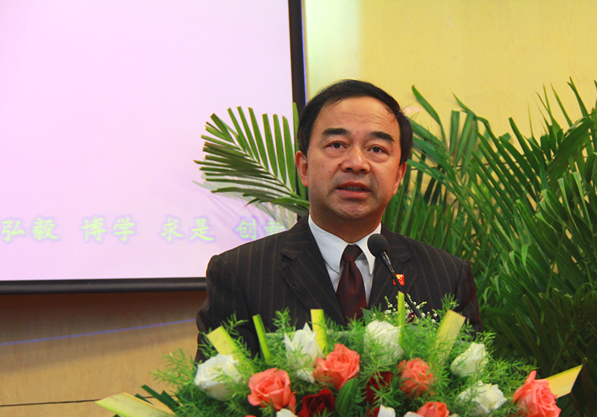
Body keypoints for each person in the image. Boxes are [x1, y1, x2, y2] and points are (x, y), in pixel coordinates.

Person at [195, 79, 481, 359]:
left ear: (398, 176)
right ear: (304, 168)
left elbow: (468, 382)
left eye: (376, 149)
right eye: (337, 145)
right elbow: (219, 384)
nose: (356, 163)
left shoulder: (447, 277)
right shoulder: (241, 274)